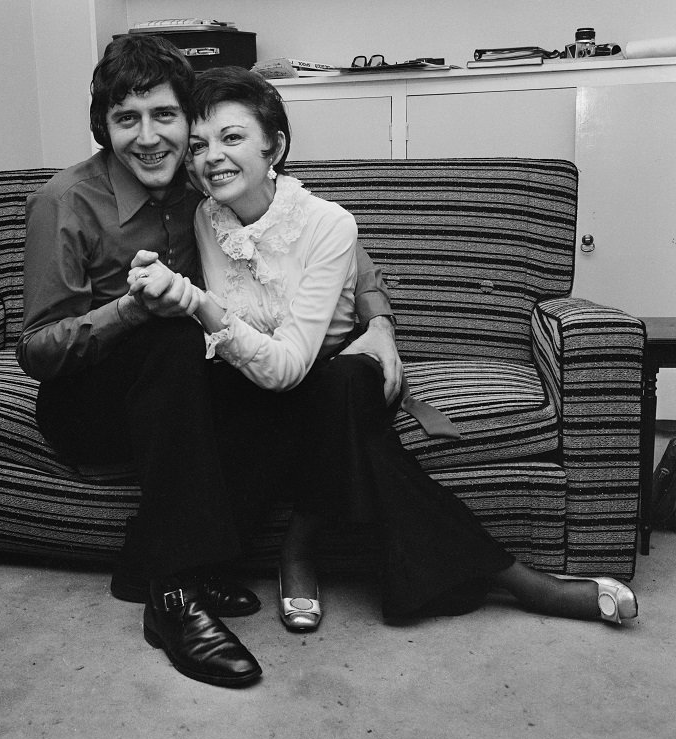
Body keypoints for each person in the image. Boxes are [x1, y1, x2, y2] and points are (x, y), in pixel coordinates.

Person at [129, 65, 638, 634]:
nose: (211, 158)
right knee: (347, 430)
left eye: (232, 137)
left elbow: (291, 362)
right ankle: (516, 578)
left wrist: (377, 328)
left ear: (275, 145)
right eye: (198, 146)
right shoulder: (206, 217)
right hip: (259, 386)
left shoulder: (328, 223)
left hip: (325, 375)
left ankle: (300, 546)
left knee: (343, 384)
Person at [16, 35, 403, 688]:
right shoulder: (66, 203)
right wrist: (133, 311)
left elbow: (318, 233)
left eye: (165, 116)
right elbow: (38, 350)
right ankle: (174, 593)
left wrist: (381, 321)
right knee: (172, 336)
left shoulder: (200, 182)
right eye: (126, 119)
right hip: (86, 402)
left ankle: (144, 561)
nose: (148, 138)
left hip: (175, 393)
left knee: (281, 379)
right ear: (103, 127)